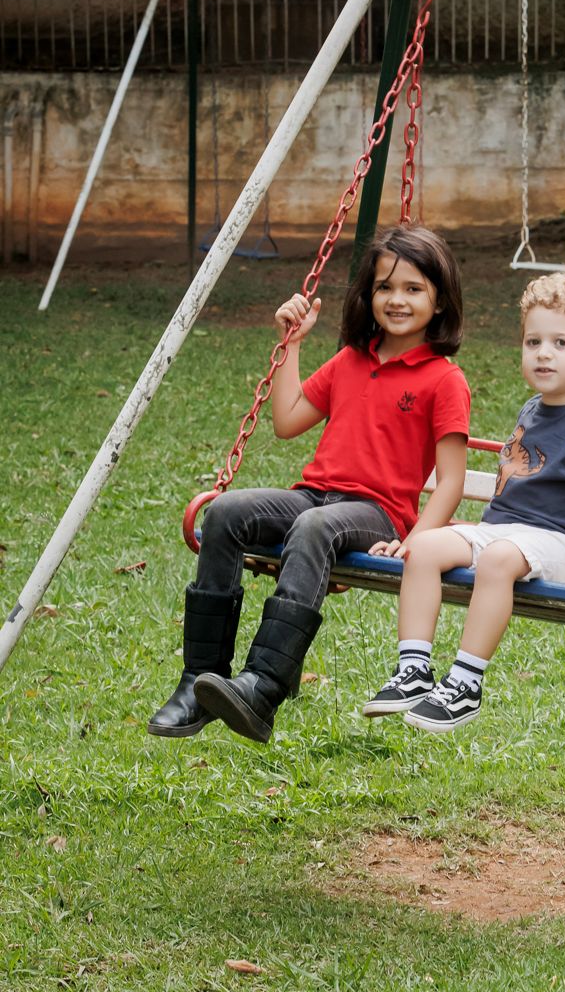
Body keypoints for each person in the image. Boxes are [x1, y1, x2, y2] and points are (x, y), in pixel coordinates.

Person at [147, 225, 470, 744]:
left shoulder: (442, 378)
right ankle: (197, 682)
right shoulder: (351, 360)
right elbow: (288, 419)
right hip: (312, 496)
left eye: (414, 288)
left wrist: (415, 540)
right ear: (367, 295)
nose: (397, 299)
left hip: (376, 512)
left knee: (315, 526)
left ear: (440, 298)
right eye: (385, 287)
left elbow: (451, 481)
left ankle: (263, 686)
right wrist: (291, 344)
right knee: (226, 511)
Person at [364, 270, 565, 734]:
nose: (543, 354)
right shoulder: (532, 408)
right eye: (533, 342)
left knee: (496, 559)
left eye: (560, 343)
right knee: (424, 547)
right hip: (504, 532)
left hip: (559, 544)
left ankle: (465, 684)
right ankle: (414, 670)